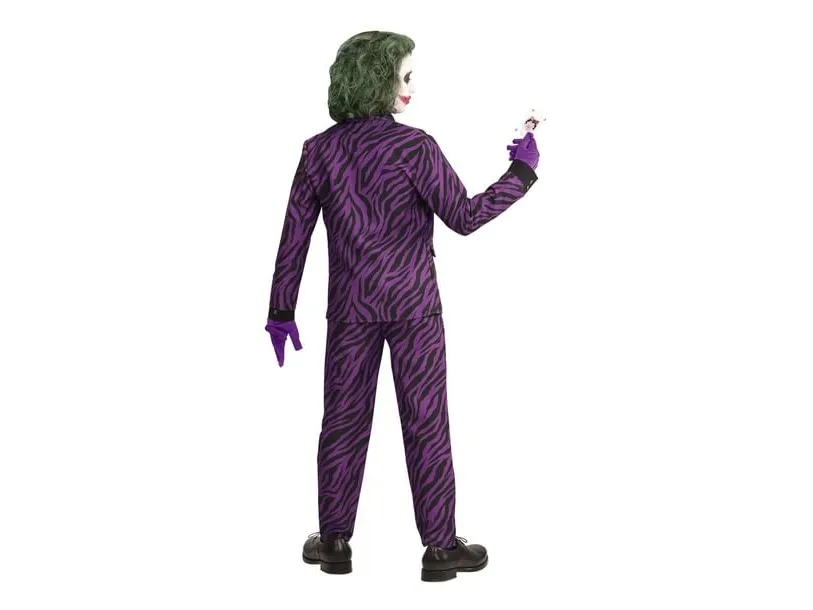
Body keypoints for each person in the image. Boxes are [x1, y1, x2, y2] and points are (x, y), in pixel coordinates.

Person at [265, 30, 540, 582]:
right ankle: (439, 549)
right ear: (379, 79)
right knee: (427, 423)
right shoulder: (415, 148)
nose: (410, 87)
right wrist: (522, 174)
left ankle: (334, 542)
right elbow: (465, 217)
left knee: (342, 424)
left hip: (351, 309)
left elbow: (295, 235)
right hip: (415, 307)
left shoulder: (318, 151)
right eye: (404, 76)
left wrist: (281, 310)